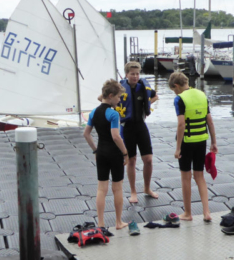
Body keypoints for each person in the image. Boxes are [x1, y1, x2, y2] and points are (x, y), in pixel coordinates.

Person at [168, 71, 217, 222]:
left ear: (176, 86)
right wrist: (214, 142)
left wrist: (177, 148)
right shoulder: (202, 95)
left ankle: (188, 213)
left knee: (186, 177)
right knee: (199, 176)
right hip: (201, 140)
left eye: (174, 90)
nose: (174, 93)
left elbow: (181, 124)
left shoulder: (179, 99)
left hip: (187, 142)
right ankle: (206, 212)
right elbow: (210, 121)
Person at [84, 80, 130, 231]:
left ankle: (101, 223)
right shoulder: (113, 114)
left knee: (101, 189)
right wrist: (125, 153)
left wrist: (95, 150)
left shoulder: (93, 112)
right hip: (115, 154)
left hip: (101, 153)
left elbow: (86, 134)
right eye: (118, 97)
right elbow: (116, 136)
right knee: (117, 188)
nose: (119, 100)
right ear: (111, 96)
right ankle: (118, 222)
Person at [116, 61, 159, 203]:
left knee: (148, 160)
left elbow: (155, 96)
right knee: (131, 161)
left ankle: (147, 188)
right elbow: (102, 98)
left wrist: (146, 105)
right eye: (132, 74)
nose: (135, 76)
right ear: (126, 74)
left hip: (141, 126)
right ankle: (133, 192)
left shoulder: (143, 86)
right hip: (127, 127)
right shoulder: (120, 87)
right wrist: (116, 109)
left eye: (137, 74)